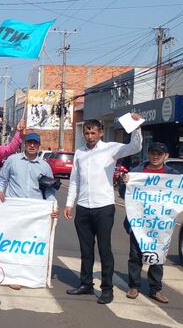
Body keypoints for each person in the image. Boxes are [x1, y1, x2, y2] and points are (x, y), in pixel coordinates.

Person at [64, 115, 142, 304]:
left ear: (100, 133)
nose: (90, 136)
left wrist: (136, 125)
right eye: (86, 132)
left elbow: (135, 147)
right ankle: (86, 284)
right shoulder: (80, 153)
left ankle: (107, 289)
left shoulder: (110, 149)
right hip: (83, 207)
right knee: (85, 249)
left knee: (104, 249)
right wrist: (69, 203)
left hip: (104, 207)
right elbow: (74, 180)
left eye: (93, 132)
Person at [117, 142, 183, 304]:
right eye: (152, 153)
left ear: (166, 156)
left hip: (161, 226)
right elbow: (123, 193)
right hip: (138, 224)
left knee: (158, 257)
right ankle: (134, 286)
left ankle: (155, 289)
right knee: (135, 256)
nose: (155, 156)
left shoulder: (173, 175)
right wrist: (125, 183)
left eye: (159, 154)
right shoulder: (138, 173)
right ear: (148, 154)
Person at [0, 132, 58, 290]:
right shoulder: (13, 160)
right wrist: (0, 191)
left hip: (35, 210)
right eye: (29, 143)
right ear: (24, 144)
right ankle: (13, 275)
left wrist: (52, 206)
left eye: (35, 143)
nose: (32, 146)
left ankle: (30, 274)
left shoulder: (44, 166)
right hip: (15, 207)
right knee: (14, 242)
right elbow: (2, 178)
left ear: (39, 146)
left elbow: (49, 189)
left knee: (31, 243)